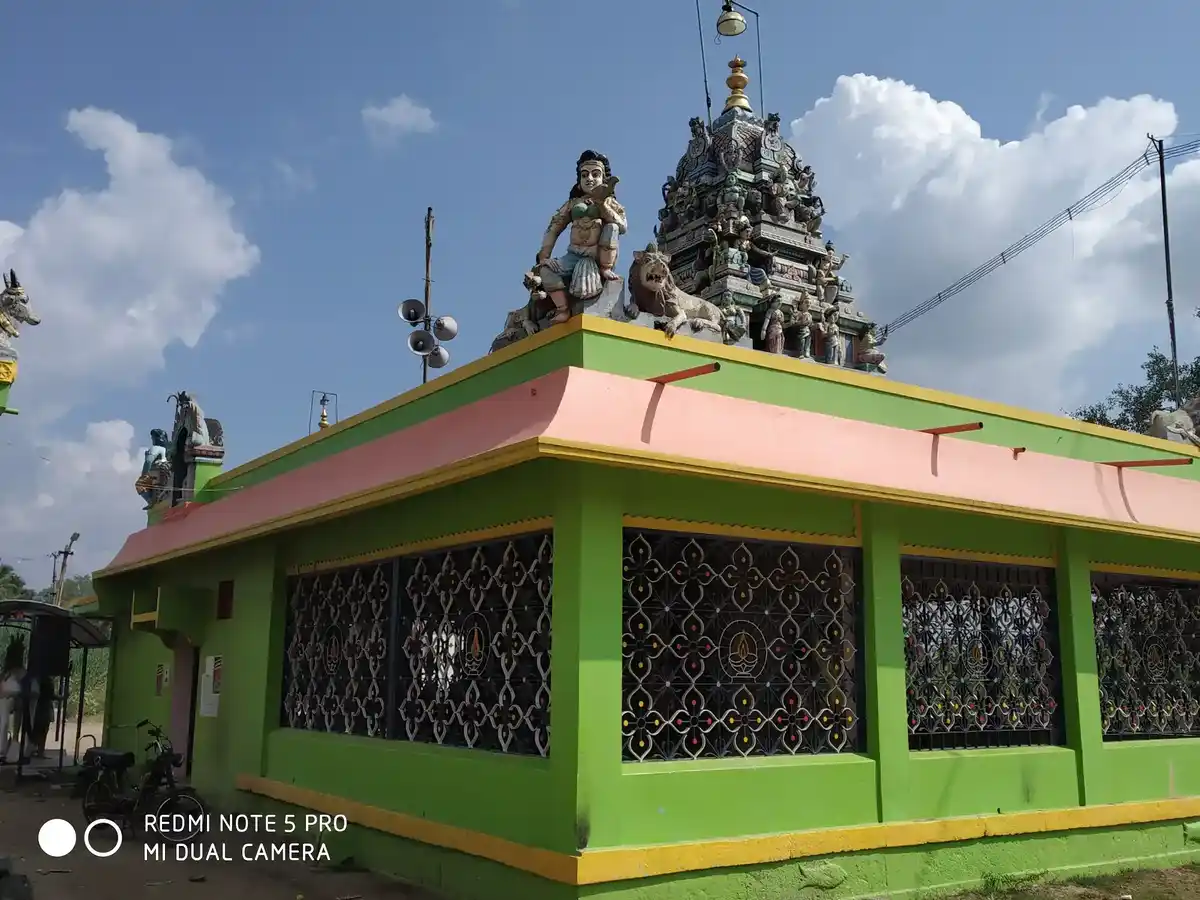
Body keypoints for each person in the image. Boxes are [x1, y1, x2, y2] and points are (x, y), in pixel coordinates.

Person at [535, 150, 628, 324]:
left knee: (612, 227)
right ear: (579, 181)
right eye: (584, 175)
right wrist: (544, 256)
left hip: (599, 255)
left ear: (604, 180)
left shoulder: (610, 203)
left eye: (595, 174)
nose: (589, 178)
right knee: (545, 271)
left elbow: (622, 226)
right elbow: (554, 228)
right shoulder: (572, 204)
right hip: (574, 254)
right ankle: (563, 309)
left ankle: (605, 268)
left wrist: (602, 205)